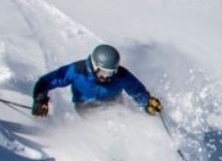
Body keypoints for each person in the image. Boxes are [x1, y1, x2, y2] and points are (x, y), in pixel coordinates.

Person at [32, 44, 162, 117]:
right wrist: (40, 99)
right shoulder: (77, 71)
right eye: (103, 72)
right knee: (101, 125)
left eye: (111, 72)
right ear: (94, 65)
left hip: (115, 103)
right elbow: (46, 81)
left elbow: (137, 91)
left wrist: (147, 103)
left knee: (124, 122)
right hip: (86, 105)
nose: (106, 77)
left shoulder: (121, 75)